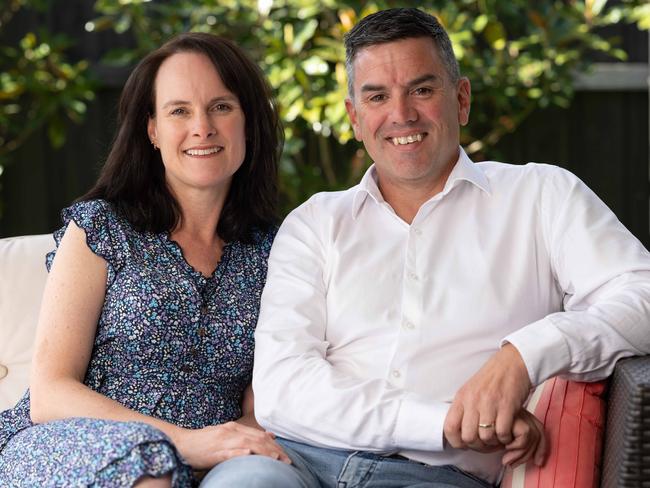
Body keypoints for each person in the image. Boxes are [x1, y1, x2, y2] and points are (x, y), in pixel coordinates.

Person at [200, 7, 650, 488]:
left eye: (421, 89)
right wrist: (444, 423)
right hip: (296, 463)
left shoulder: (542, 196)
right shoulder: (314, 223)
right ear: (355, 117)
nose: (401, 114)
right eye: (377, 96)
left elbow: (642, 295)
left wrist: (523, 355)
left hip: (438, 478)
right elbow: (282, 388)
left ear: (461, 99)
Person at [0, 32, 290, 487]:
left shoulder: (275, 251)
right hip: (73, 442)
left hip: (214, 462)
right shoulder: (100, 229)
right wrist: (183, 443)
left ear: (248, 122)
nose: (202, 127)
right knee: (150, 474)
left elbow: (263, 404)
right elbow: (51, 392)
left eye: (221, 106)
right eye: (179, 111)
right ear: (152, 130)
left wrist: (238, 446)